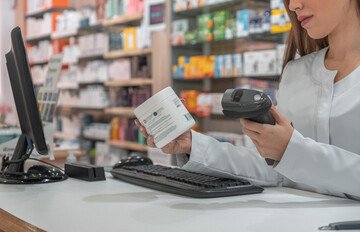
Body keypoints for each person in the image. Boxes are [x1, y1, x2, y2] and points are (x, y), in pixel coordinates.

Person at [135, 0, 360, 200]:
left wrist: (292, 151)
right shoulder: (297, 72)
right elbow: (275, 170)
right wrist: (192, 145)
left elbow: (292, 156)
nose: (293, 5)